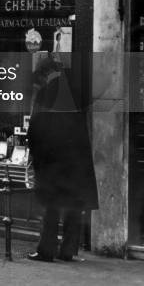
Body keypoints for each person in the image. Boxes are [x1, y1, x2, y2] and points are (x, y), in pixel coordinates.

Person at [26, 54, 98, 262]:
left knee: (51, 206)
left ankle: (46, 251)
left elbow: (36, 129)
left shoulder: (46, 93)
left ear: (45, 74)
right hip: (76, 161)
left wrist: (34, 155)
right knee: (74, 206)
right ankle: (68, 251)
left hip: (53, 161)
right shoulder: (75, 92)